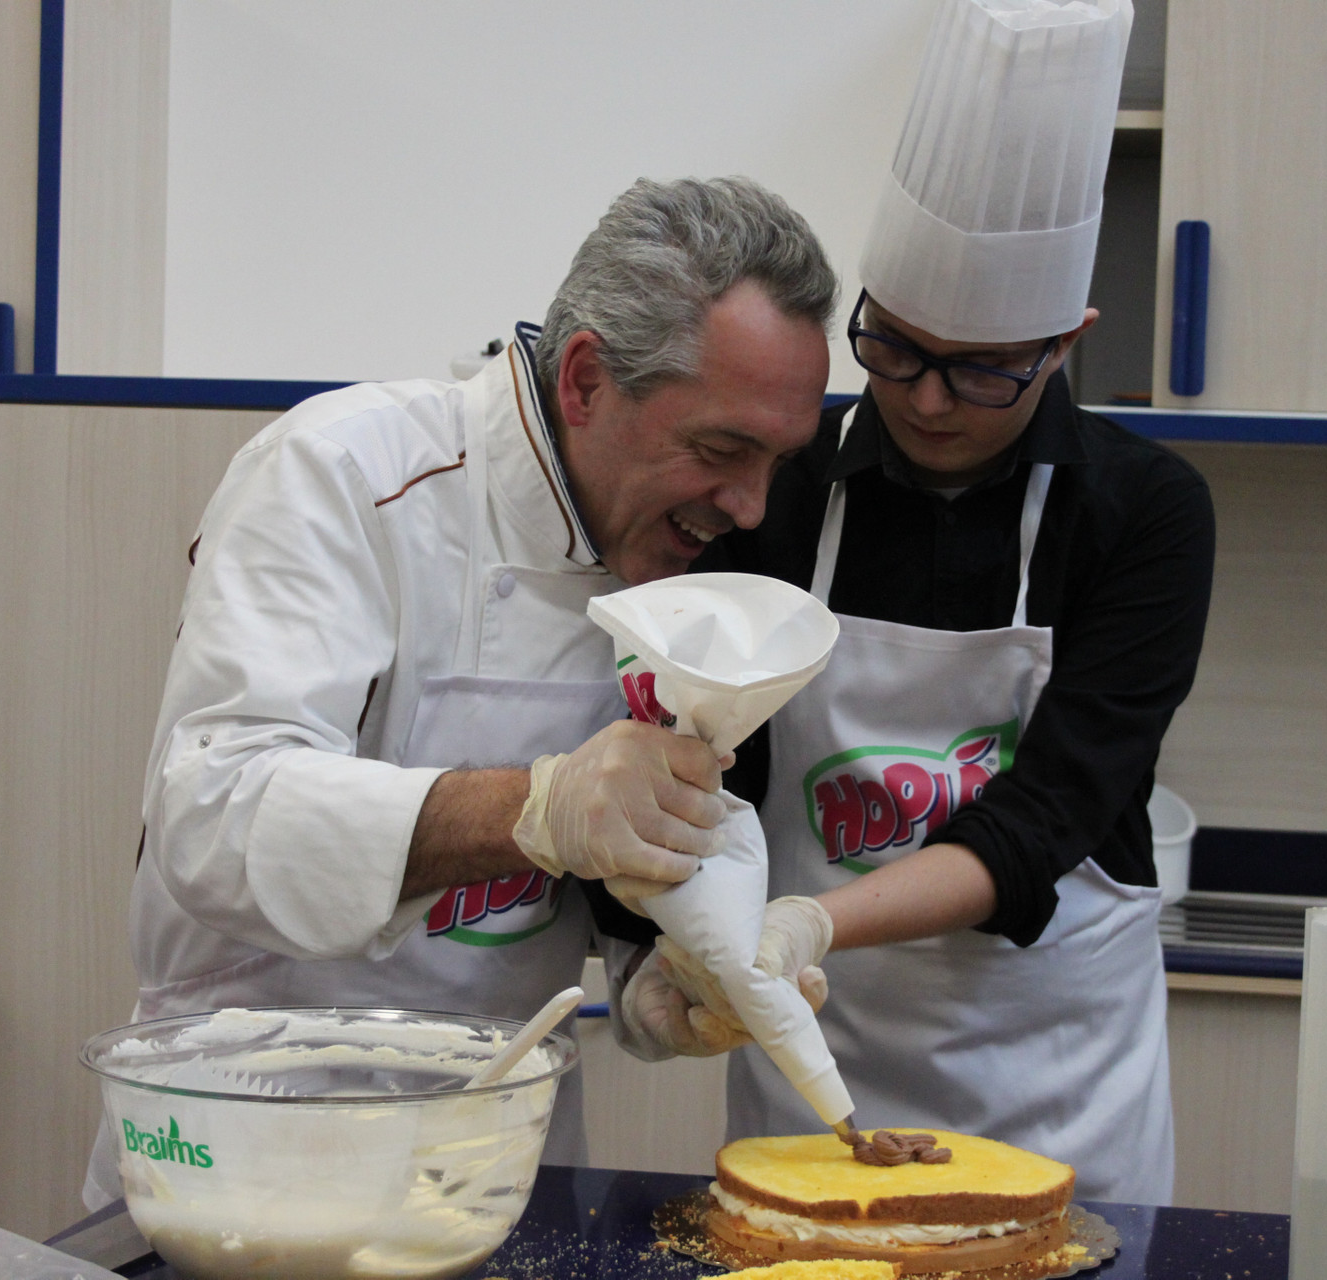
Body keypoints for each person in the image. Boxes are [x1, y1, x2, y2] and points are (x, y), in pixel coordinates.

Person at [89, 177, 837, 1204]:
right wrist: (533, 809)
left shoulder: (671, 570)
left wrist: (670, 981)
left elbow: (607, 880)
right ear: (584, 381)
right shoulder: (344, 475)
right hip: (243, 1146)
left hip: (487, 1175)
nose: (749, 506)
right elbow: (212, 818)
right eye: (720, 450)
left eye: (776, 463)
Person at [620, 0, 1214, 1205]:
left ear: (1065, 343)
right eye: (894, 348)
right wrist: (671, 944)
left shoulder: (1144, 512)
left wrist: (813, 926)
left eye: (983, 366)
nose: (929, 400)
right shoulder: (780, 488)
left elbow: (1048, 816)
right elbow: (708, 768)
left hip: (1063, 1102)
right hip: (814, 1087)